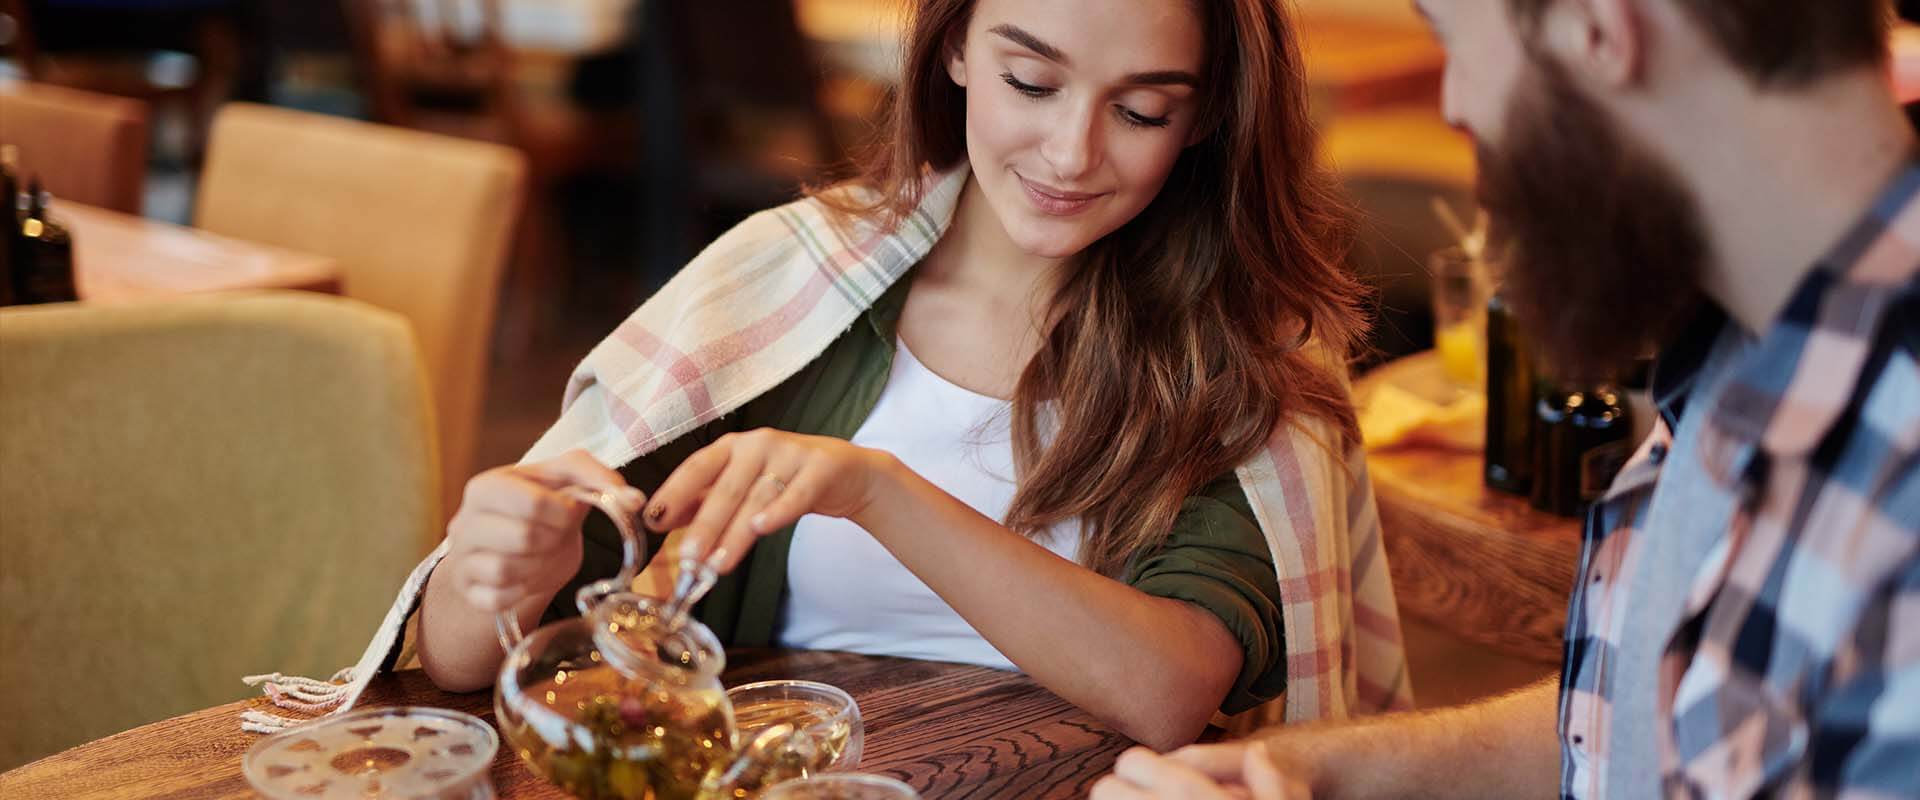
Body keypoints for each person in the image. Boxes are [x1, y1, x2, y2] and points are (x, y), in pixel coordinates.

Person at [291, 0, 1427, 753]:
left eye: (1142, 110)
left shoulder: (1240, 344)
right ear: (955, 50)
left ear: (1205, 122)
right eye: (1031, 81)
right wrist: (487, 572)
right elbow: (464, 654)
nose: (1074, 153)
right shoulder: (782, 287)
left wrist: (876, 488)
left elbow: (1176, 684)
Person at [1092, 0, 1920, 796]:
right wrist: (1317, 771)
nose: (1455, 104)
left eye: (1452, 35)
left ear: (1597, 26)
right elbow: (1667, 728)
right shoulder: (1759, 343)